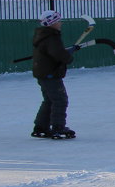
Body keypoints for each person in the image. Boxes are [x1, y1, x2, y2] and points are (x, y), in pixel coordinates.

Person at [31, 10, 79, 139]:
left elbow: (52, 51)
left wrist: (66, 51)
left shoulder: (44, 35)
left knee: (49, 100)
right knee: (60, 100)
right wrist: (68, 57)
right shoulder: (52, 37)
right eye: (58, 21)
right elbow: (57, 54)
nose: (60, 23)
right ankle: (58, 127)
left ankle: (41, 127)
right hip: (50, 73)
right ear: (52, 23)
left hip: (43, 72)